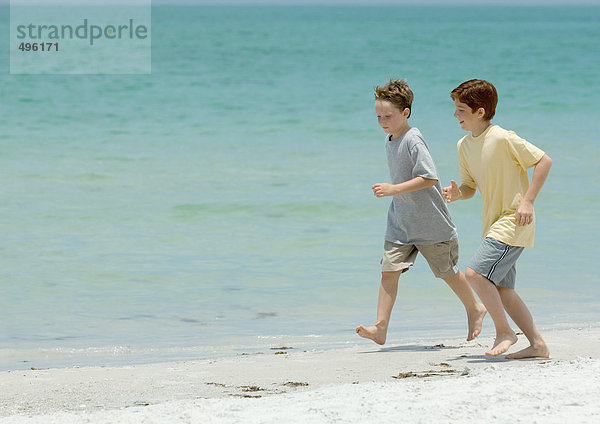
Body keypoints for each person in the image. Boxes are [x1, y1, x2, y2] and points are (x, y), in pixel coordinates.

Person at [356, 79, 486, 345]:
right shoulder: (389, 139)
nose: (382, 121)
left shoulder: (413, 139)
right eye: (378, 116)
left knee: (447, 272)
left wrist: (393, 189)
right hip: (401, 223)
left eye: (388, 116)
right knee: (388, 271)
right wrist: (396, 195)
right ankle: (380, 328)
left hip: (431, 223)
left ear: (405, 113)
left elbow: (429, 177)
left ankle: (475, 308)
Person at [443, 79, 552, 359]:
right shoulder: (463, 145)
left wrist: (527, 200)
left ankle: (504, 331)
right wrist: (458, 193)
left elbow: (543, 161)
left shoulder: (503, 137)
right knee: (504, 290)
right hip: (493, 223)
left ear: (480, 112)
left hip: (514, 219)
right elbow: (470, 187)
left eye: (461, 110)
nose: (456, 115)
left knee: (475, 274)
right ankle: (538, 345)